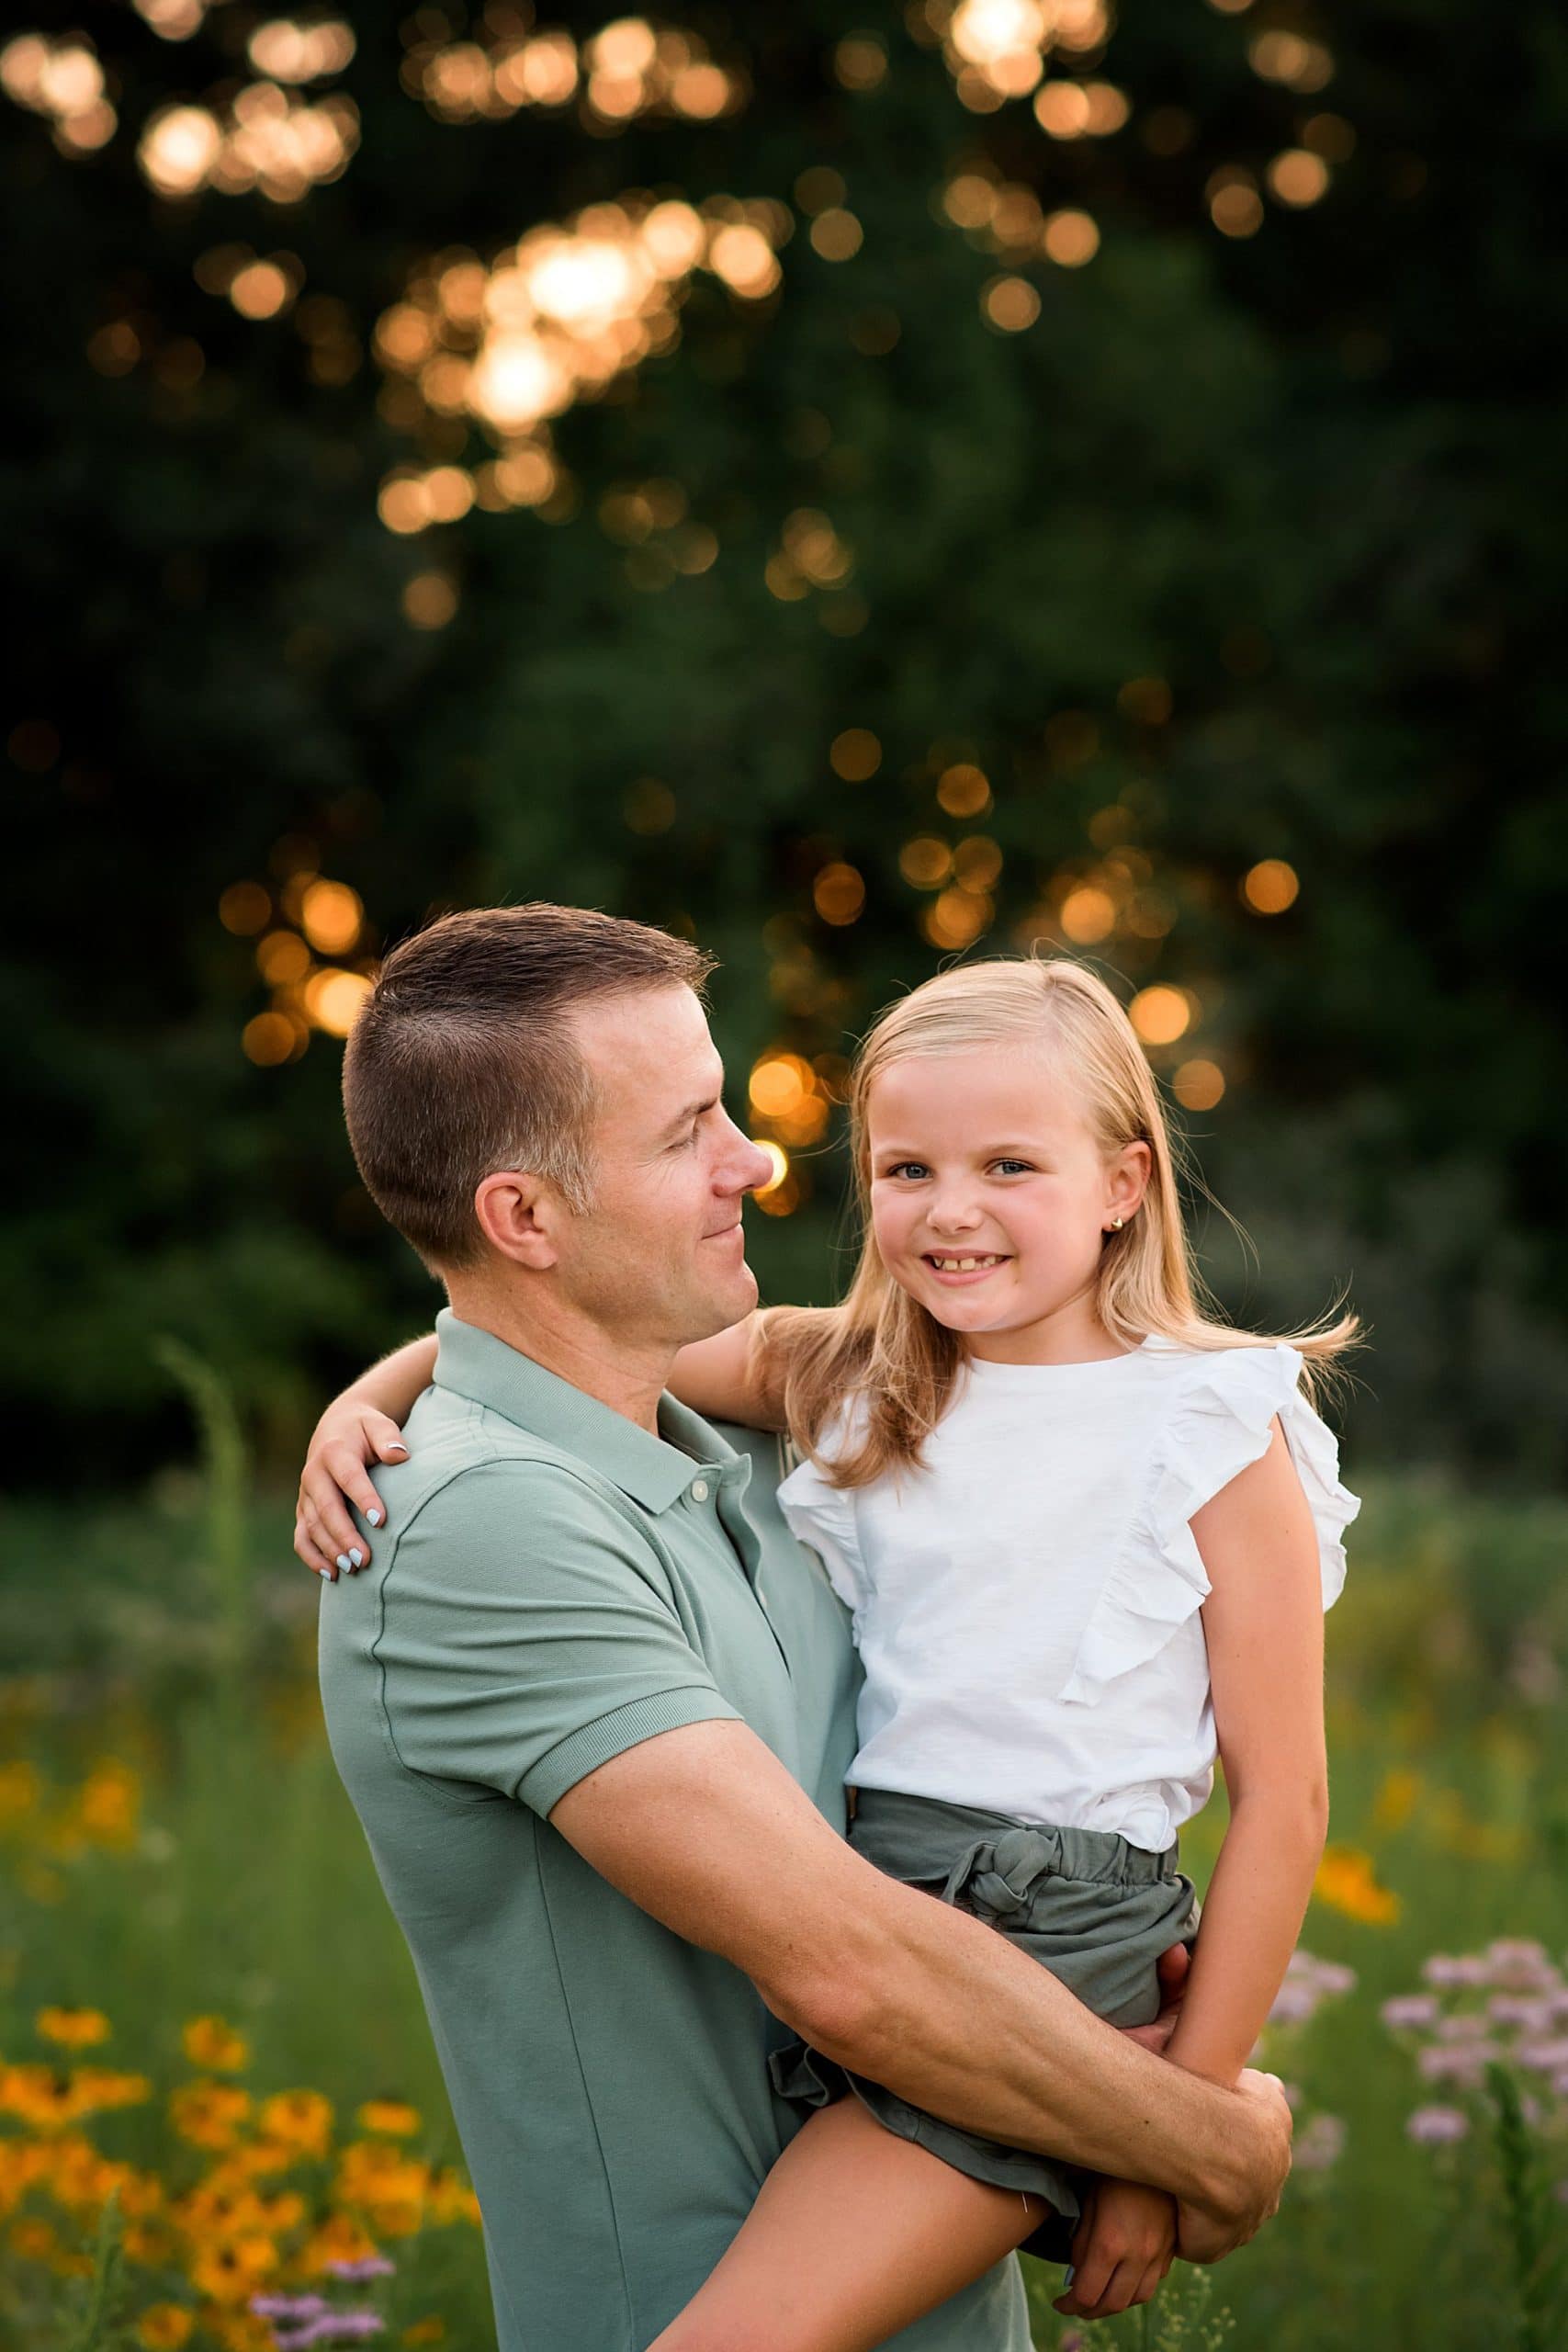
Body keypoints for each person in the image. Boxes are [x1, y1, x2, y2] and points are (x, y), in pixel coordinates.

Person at [300, 903, 1294, 2352]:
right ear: (523, 1218)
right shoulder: (477, 1524)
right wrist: (1216, 2141)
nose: (756, 1160)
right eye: (686, 1129)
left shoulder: (792, 1452)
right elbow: (854, 1969)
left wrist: (378, 1379)